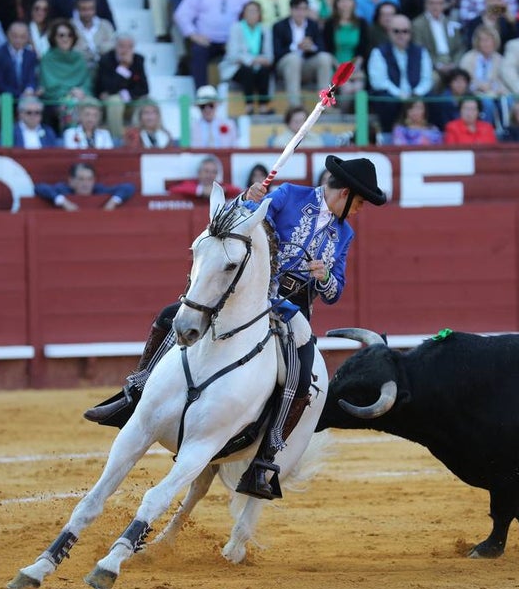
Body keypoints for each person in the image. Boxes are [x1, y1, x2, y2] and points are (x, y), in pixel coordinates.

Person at [85, 154, 387, 502]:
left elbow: (336, 292)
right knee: (171, 316)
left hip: (291, 309)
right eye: (360, 202)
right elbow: (238, 223)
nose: (359, 210)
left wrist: (324, 277)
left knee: (303, 373)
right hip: (250, 292)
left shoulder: (344, 233)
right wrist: (246, 199)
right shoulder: (290, 195)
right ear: (345, 193)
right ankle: (133, 393)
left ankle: (265, 457)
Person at [173, 0, 251, 88]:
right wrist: (193, 34)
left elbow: (250, 15)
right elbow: (181, 15)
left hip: (234, 42)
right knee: (198, 52)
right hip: (207, 42)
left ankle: (246, 97)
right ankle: (202, 94)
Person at [367, 13, 433, 133]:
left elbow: (427, 79)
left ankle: (432, 136)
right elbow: (379, 82)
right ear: (389, 32)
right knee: (386, 101)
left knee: (435, 101)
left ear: (410, 33)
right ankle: (388, 134)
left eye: (405, 31)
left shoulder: (421, 51)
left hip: (416, 94)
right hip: (392, 95)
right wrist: (400, 95)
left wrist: (416, 94)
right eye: (396, 31)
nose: (401, 35)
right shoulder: (378, 52)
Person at [274, 0, 334, 108]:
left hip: (306, 66)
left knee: (325, 58)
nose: (300, 12)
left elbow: (322, 48)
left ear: (307, 10)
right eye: (297, 9)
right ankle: (295, 106)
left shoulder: (313, 25)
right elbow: (277, 53)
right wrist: (296, 47)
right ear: (291, 10)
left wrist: (311, 47)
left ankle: (324, 104)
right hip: (285, 67)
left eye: (304, 9)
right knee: (294, 59)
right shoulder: (279, 26)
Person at [221, 1, 274, 116]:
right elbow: (232, 55)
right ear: (243, 14)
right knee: (247, 71)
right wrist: (252, 60)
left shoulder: (265, 30)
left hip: (258, 66)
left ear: (260, 14)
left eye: (255, 11)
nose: (252, 14)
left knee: (264, 71)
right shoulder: (236, 28)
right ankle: (248, 106)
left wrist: (252, 60)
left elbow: (269, 57)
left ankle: (263, 106)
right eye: (249, 11)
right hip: (237, 67)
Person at [458, 24, 508, 126]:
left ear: (494, 42)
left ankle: (506, 129)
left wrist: (496, 88)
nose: (486, 44)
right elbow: (463, 81)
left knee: (508, 100)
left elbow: (504, 81)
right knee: (487, 103)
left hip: (495, 93)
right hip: (474, 93)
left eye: (489, 40)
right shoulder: (468, 58)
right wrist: (479, 86)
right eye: (483, 40)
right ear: (478, 42)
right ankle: (486, 130)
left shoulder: (500, 59)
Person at [36, 162, 134, 210]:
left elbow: (129, 187)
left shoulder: (99, 190)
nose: (86, 183)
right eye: (81, 179)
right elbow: (39, 187)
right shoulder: (63, 189)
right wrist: (63, 202)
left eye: (89, 179)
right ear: (71, 181)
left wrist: (113, 202)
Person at [0, 20, 39, 100]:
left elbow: (32, 78)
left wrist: (30, 89)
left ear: (28, 38)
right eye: (15, 36)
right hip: (5, 98)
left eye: (22, 37)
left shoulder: (31, 55)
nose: (18, 40)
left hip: (27, 97)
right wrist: (19, 95)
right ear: (8, 35)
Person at [168, 155, 243, 200]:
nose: (210, 175)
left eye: (214, 172)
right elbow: (173, 190)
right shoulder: (191, 184)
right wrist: (201, 190)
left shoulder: (220, 186)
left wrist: (220, 191)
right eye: (206, 171)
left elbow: (237, 190)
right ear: (199, 172)